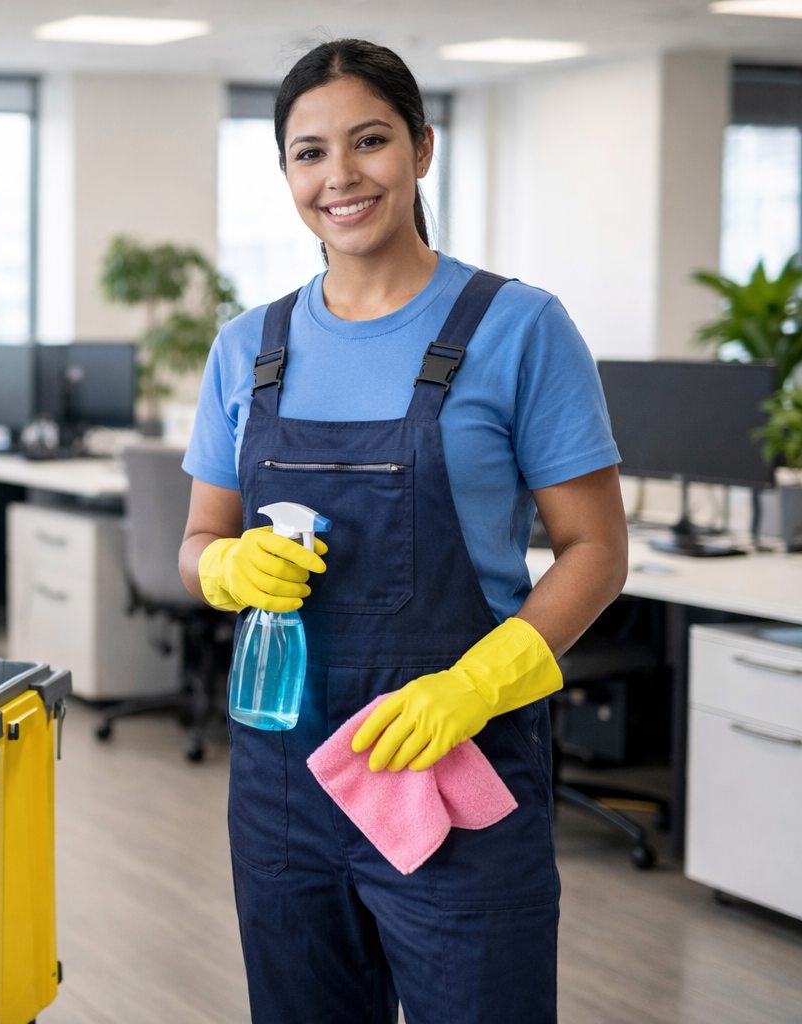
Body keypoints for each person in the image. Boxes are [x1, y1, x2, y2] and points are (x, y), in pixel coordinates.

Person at [178, 39, 627, 1023]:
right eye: (309, 153)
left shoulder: (520, 328)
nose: (340, 176)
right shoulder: (248, 347)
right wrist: (226, 569)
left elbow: (596, 549)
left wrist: (480, 684)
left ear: (422, 149)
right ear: (286, 173)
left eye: (369, 141)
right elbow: (198, 536)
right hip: (283, 782)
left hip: (456, 770)